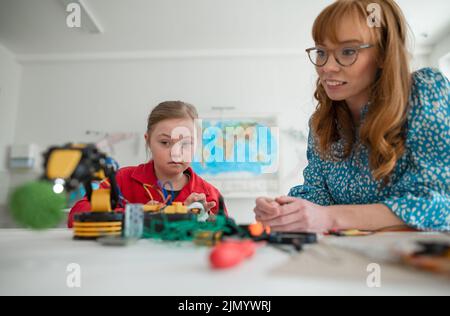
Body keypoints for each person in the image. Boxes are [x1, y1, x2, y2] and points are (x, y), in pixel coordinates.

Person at [254, 0, 450, 233]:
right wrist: (286, 210)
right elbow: (317, 195)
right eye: (321, 52)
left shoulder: (425, 92)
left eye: (347, 52)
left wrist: (330, 217)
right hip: (346, 259)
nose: (327, 67)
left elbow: (438, 203)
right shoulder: (321, 124)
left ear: (383, 54)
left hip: (414, 262)